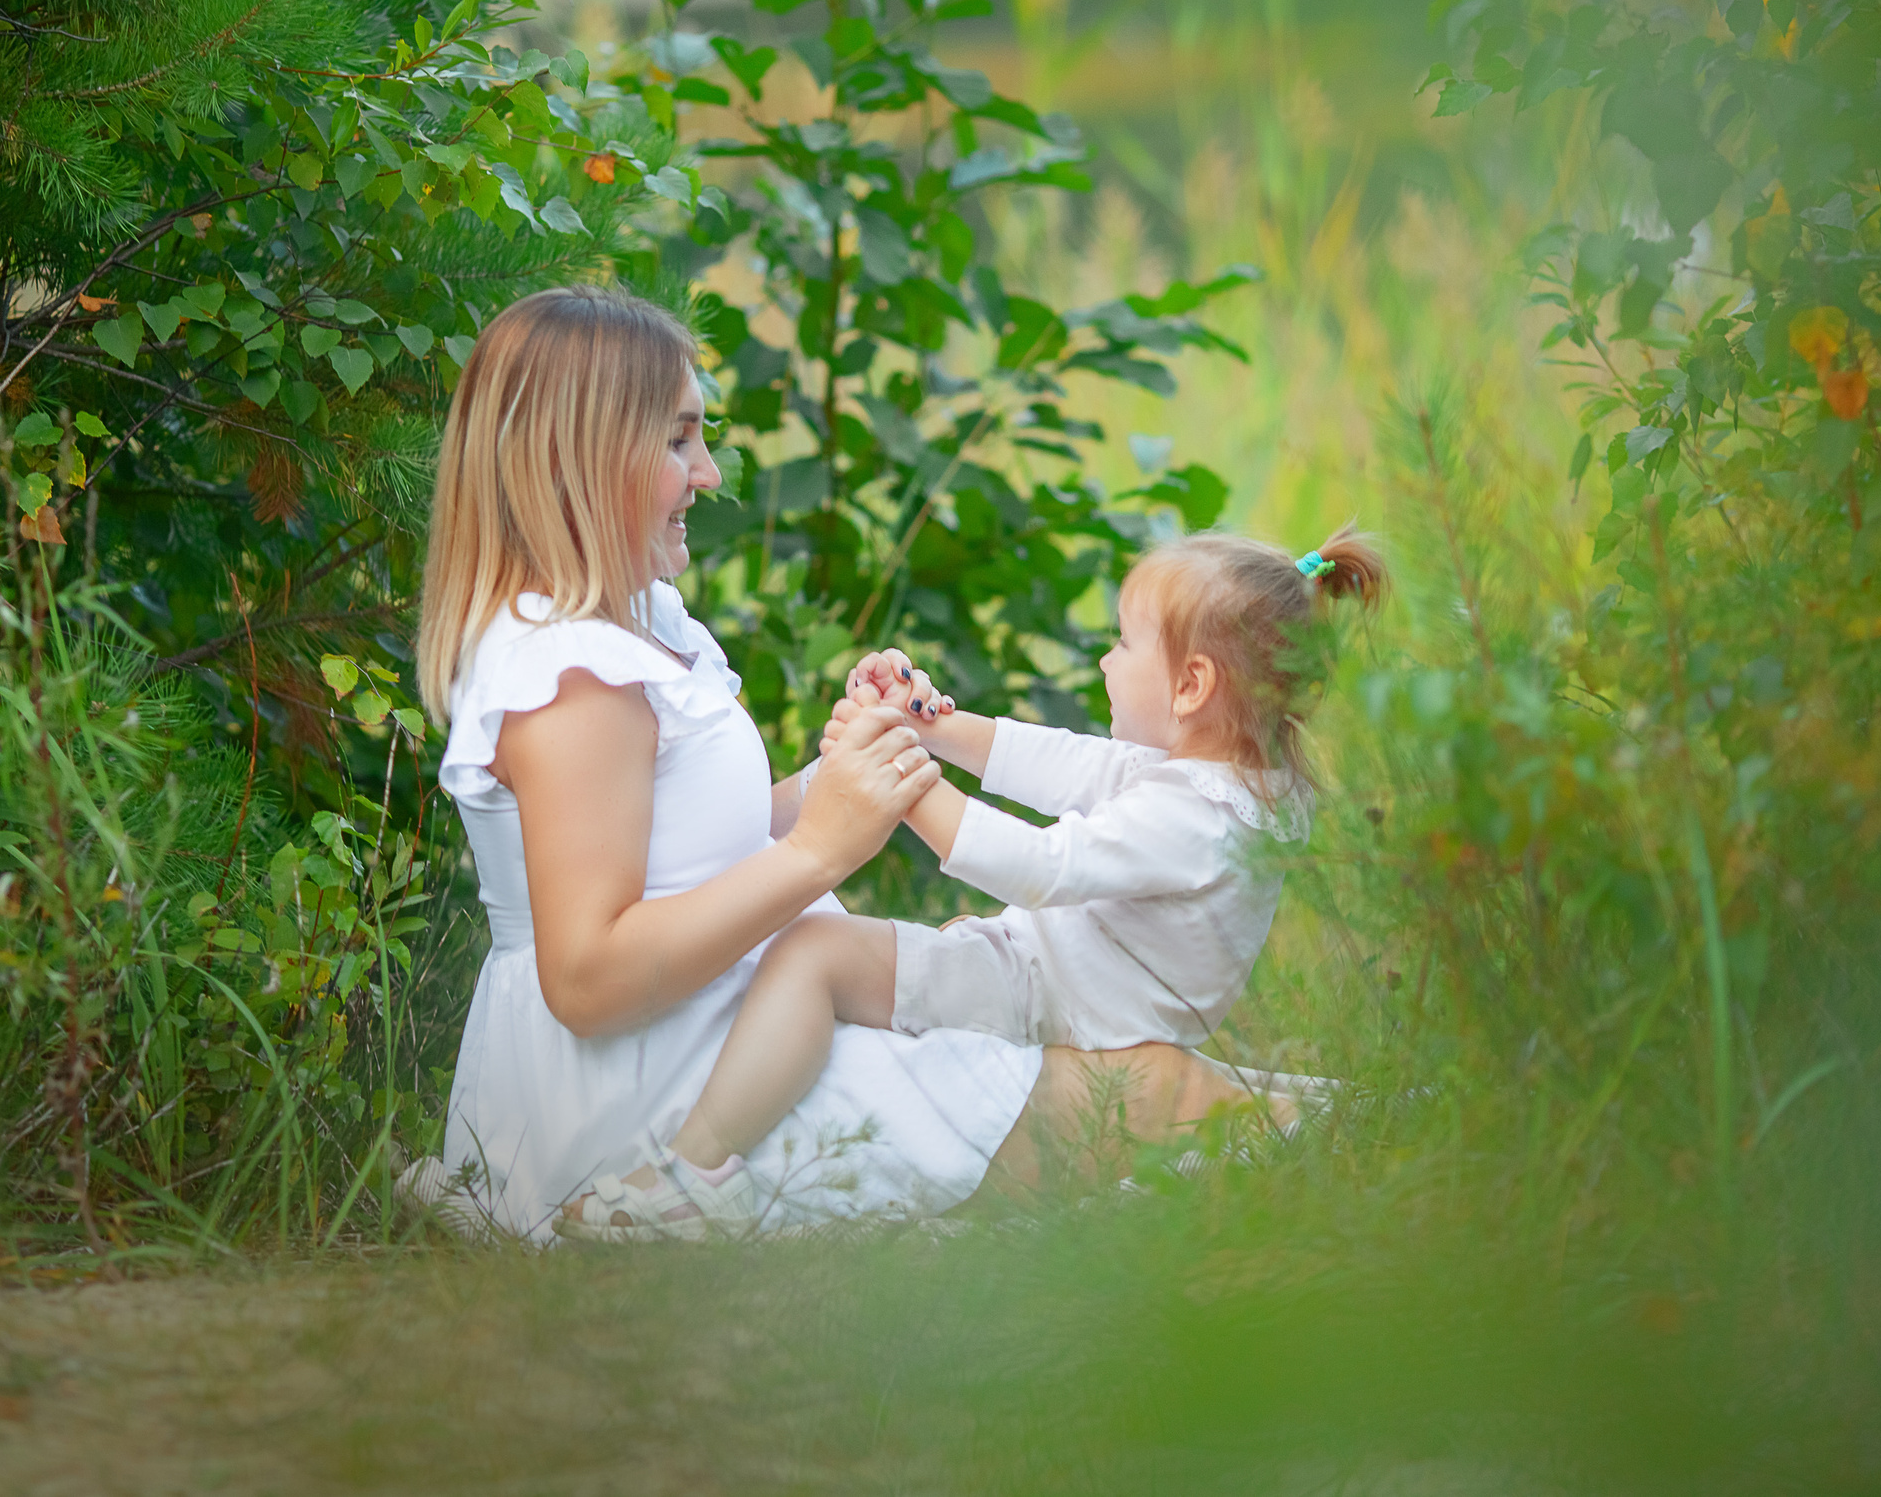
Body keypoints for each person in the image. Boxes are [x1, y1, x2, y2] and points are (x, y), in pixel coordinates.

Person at [414, 282, 1319, 1244]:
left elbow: (678, 843)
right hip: (647, 1080)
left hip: (729, 1026)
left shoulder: (628, 629)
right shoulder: (572, 680)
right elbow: (589, 980)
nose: (709, 473)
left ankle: (1364, 1113)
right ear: (583, 457)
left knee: (1147, 1081)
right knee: (1150, 1093)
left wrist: (835, 777)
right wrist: (817, 849)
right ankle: (1389, 1128)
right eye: (679, 440)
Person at [577, 527, 1386, 1239]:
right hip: (1056, 983)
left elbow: (1045, 867)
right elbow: (1061, 760)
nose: (1106, 658)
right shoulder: (1219, 782)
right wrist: (925, 717)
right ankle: (1325, 1116)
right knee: (824, 956)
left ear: (1191, 686)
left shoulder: (1199, 820)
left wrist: (906, 780)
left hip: (1053, 1002)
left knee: (813, 954)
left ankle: (689, 1174)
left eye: (1124, 644)